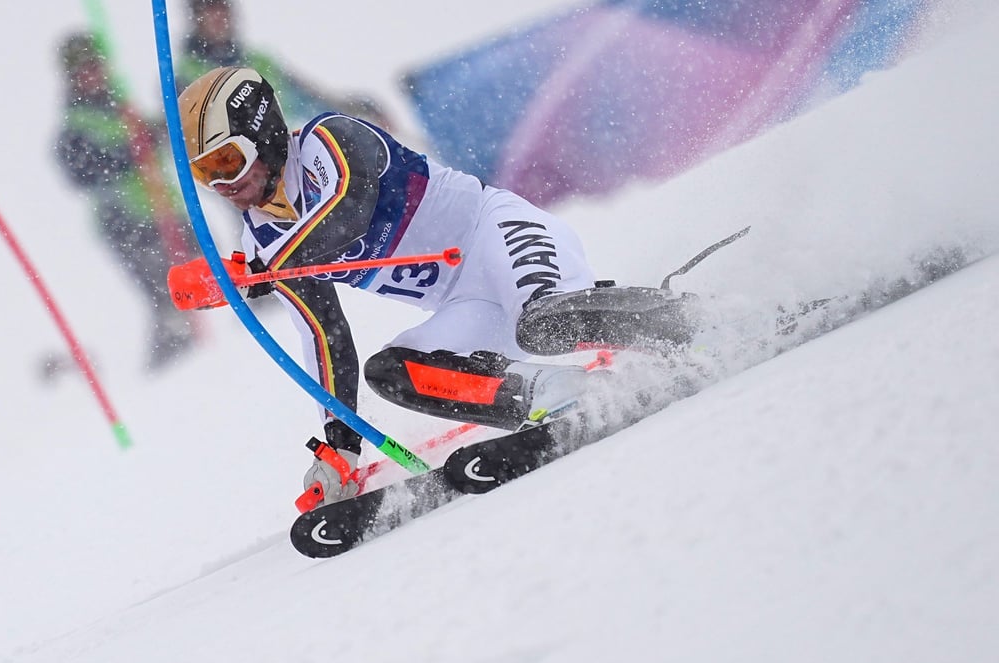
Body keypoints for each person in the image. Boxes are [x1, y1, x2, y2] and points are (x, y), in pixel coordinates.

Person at [173, 67, 679, 507]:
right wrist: (340, 444)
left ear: (263, 137)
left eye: (226, 163)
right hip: (469, 304)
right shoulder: (265, 237)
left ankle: (686, 320)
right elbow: (325, 336)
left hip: (499, 237)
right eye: (204, 174)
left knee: (542, 324)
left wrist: (268, 268)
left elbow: (348, 210)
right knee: (392, 372)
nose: (221, 186)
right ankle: (559, 396)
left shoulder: (331, 141)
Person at [54, 32, 197, 372]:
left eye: (94, 67)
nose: (91, 76)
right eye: (82, 72)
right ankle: (173, 368)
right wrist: (129, 151)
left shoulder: (122, 108)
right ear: (72, 80)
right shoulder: (76, 125)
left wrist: (164, 129)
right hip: (128, 224)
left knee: (214, 274)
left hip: (170, 214)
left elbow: (158, 136)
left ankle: (219, 353)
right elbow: (81, 170)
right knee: (168, 298)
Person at [176, 0, 392, 131]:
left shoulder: (259, 60)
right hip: (246, 178)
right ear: (197, 19)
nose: (219, 18)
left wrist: (359, 108)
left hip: (292, 160)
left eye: (223, 11)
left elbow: (311, 98)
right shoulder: (187, 75)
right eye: (210, 12)